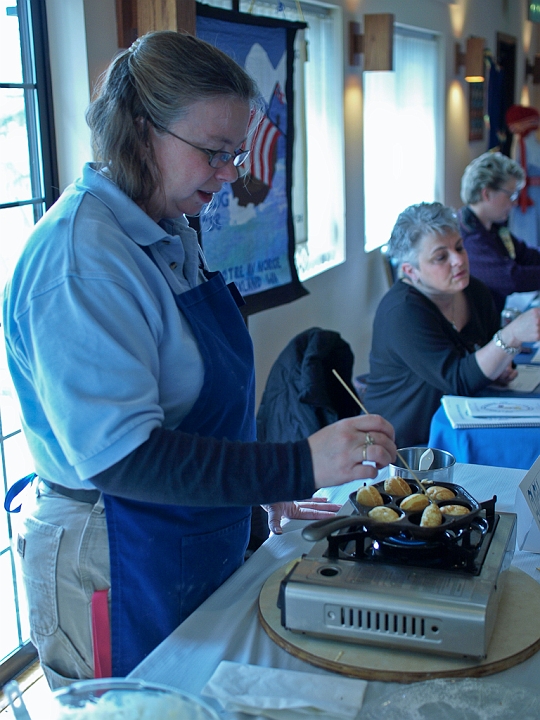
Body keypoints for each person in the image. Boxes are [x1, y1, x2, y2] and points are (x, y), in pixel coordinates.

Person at [2, 31, 396, 687]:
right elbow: (124, 456)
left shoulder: (165, 232)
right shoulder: (82, 261)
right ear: (137, 130)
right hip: (117, 552)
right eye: (214, 153)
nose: (232, 175)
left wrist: (255, 494)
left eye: (236, 154)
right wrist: (296, 464)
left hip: (184, 535)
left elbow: (194, 408)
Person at [364, 202, 540, 448]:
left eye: (459, 247)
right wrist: (510, 336)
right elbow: (458, 379)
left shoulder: (474, 290)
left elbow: (488, 353)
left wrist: (500, 367)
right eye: (440, 257)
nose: (458, 260)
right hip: (405, 446)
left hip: (462, 424)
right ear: (410, 271)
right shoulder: (402, 312)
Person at [459, 151, 540, 315]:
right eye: (511, 195)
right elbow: (512, 279)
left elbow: (527, 255)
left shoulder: (494, 228)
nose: (515, 202)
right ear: (486, 193)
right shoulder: (468, 237)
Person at [506, 104, 540, 248]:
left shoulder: (522, 144)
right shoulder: (525, 144)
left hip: (529, 195)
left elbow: (516, 172)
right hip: (527, 195)